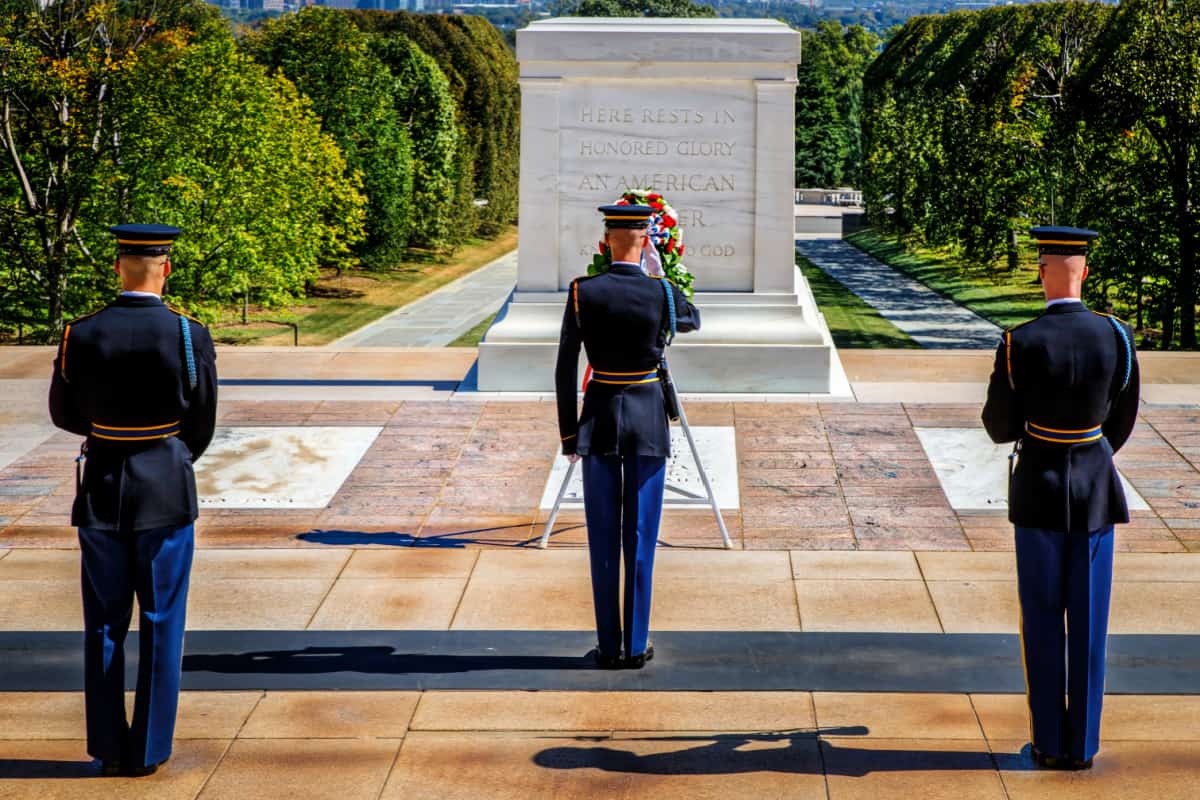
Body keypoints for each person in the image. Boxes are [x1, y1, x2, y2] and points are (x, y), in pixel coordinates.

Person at [48, 224, 218, 777]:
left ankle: (108, 748)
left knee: (102, 622)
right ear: (165, 268)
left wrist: (108, 436)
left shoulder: (82, 332)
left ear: (118, 267)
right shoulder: (187, 334)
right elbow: (202, 421)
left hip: (100, 488)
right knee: (163, 619)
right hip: (164, 490)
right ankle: (147, 750)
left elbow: (65, 414)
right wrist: (165, 452)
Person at [982, 225, 1140, 771]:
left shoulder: (1018, 340)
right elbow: (1122, 421)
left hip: (1039, 488)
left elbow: (1000, 428)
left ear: (1043, 271)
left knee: (1044, 618)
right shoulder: (1117, 336)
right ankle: (1084, 746)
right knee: (1091, 622)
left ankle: (1049, 742)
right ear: (1085, 272)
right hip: (1095, 487)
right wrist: (1088, 448)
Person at [555, 204, 700, 669]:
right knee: (640, 533)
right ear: (645, 241)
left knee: (601, 536)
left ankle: (608, 645)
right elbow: (692, 319)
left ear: (604, 244)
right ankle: (636, 645)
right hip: (646, 418)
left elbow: (564, 369)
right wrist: (659, 273)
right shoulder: (660, 293)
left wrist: (567, 435)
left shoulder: (583, 291)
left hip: (597, 420)